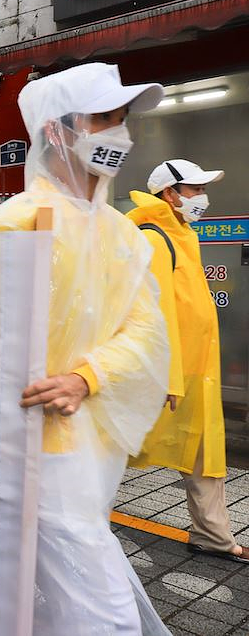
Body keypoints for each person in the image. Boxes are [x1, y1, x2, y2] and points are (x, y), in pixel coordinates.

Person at [0, 63, 171, 634]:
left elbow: (147, 330)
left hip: (92, 442)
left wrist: (87, 377)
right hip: (30, 443)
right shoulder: (17, 223)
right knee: (103, 611)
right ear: (56, 131)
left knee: (47, 593)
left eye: (123, 118)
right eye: (103, 118)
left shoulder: (122, 233)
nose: (120, 132)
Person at [126, 160, 248, 564]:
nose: (202, 197)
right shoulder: (155, 237)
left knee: (204, 454)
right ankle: (65, 514)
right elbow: (154, 313)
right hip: (169, 375)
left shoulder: (182, 235)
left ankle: (212, 536)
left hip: (196, 371)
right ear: (170, 194)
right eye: (196, 189)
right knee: (117, 445)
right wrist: (167, 377)